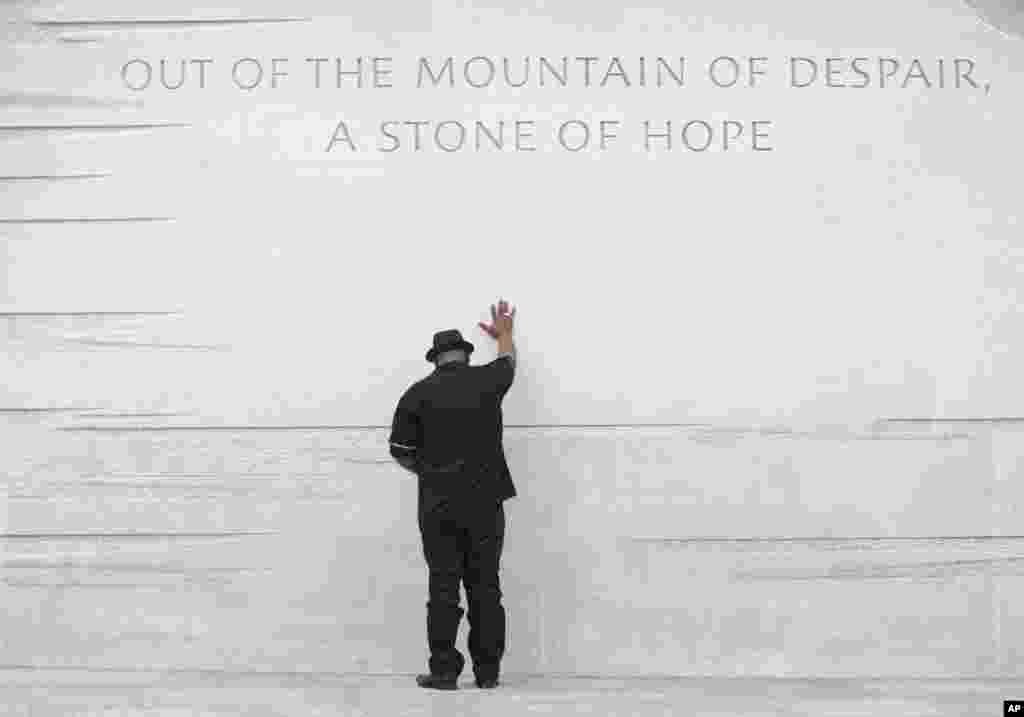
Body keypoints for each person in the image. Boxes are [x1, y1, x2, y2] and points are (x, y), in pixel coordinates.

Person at [389, 299, 518, 690]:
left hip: (438, 506)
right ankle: (488, 673)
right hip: (485, 502)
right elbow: (509, 363)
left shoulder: (416, 395)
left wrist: (430, 474)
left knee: (443, 586)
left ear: (436, 359)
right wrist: (506, 333)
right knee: (486, 586)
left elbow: (400, 451)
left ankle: (444, 671)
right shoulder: (487, 381)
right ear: (463, 354)